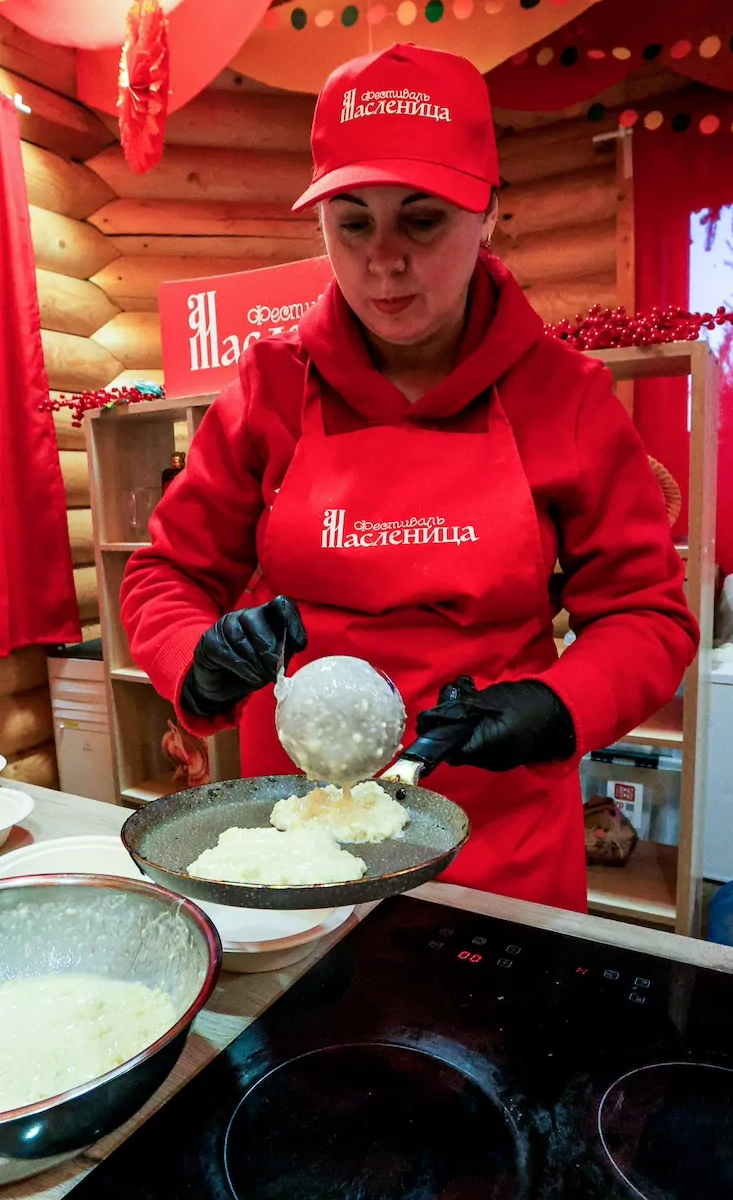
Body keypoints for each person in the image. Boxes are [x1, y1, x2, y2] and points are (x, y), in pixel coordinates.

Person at [119, 44, 697, 911]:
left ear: (488, 214)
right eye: (353, 224)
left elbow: (646, 615)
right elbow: (169, 572)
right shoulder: (272, 386)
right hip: (296, 845)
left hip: (496, 838)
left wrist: (556, 703)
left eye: (421, 221)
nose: (383, 262)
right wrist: (190, 662)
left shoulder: (567, 400)